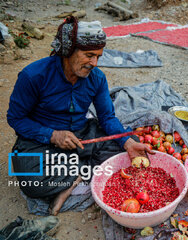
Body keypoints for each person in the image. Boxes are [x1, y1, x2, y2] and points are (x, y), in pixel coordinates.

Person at [7, 16, 153, 215]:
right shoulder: (33, 75)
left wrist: (127, 142)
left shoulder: (97, 78)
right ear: (68, 51)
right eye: (89, 55)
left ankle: (72, 177)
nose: (94, 62)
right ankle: (79, 173)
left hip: (81, 134)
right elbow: (16, 119)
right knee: (30, 181)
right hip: (40, 139)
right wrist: (52, 135)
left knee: (128, 145)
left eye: (98, 57)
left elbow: (107, 118)